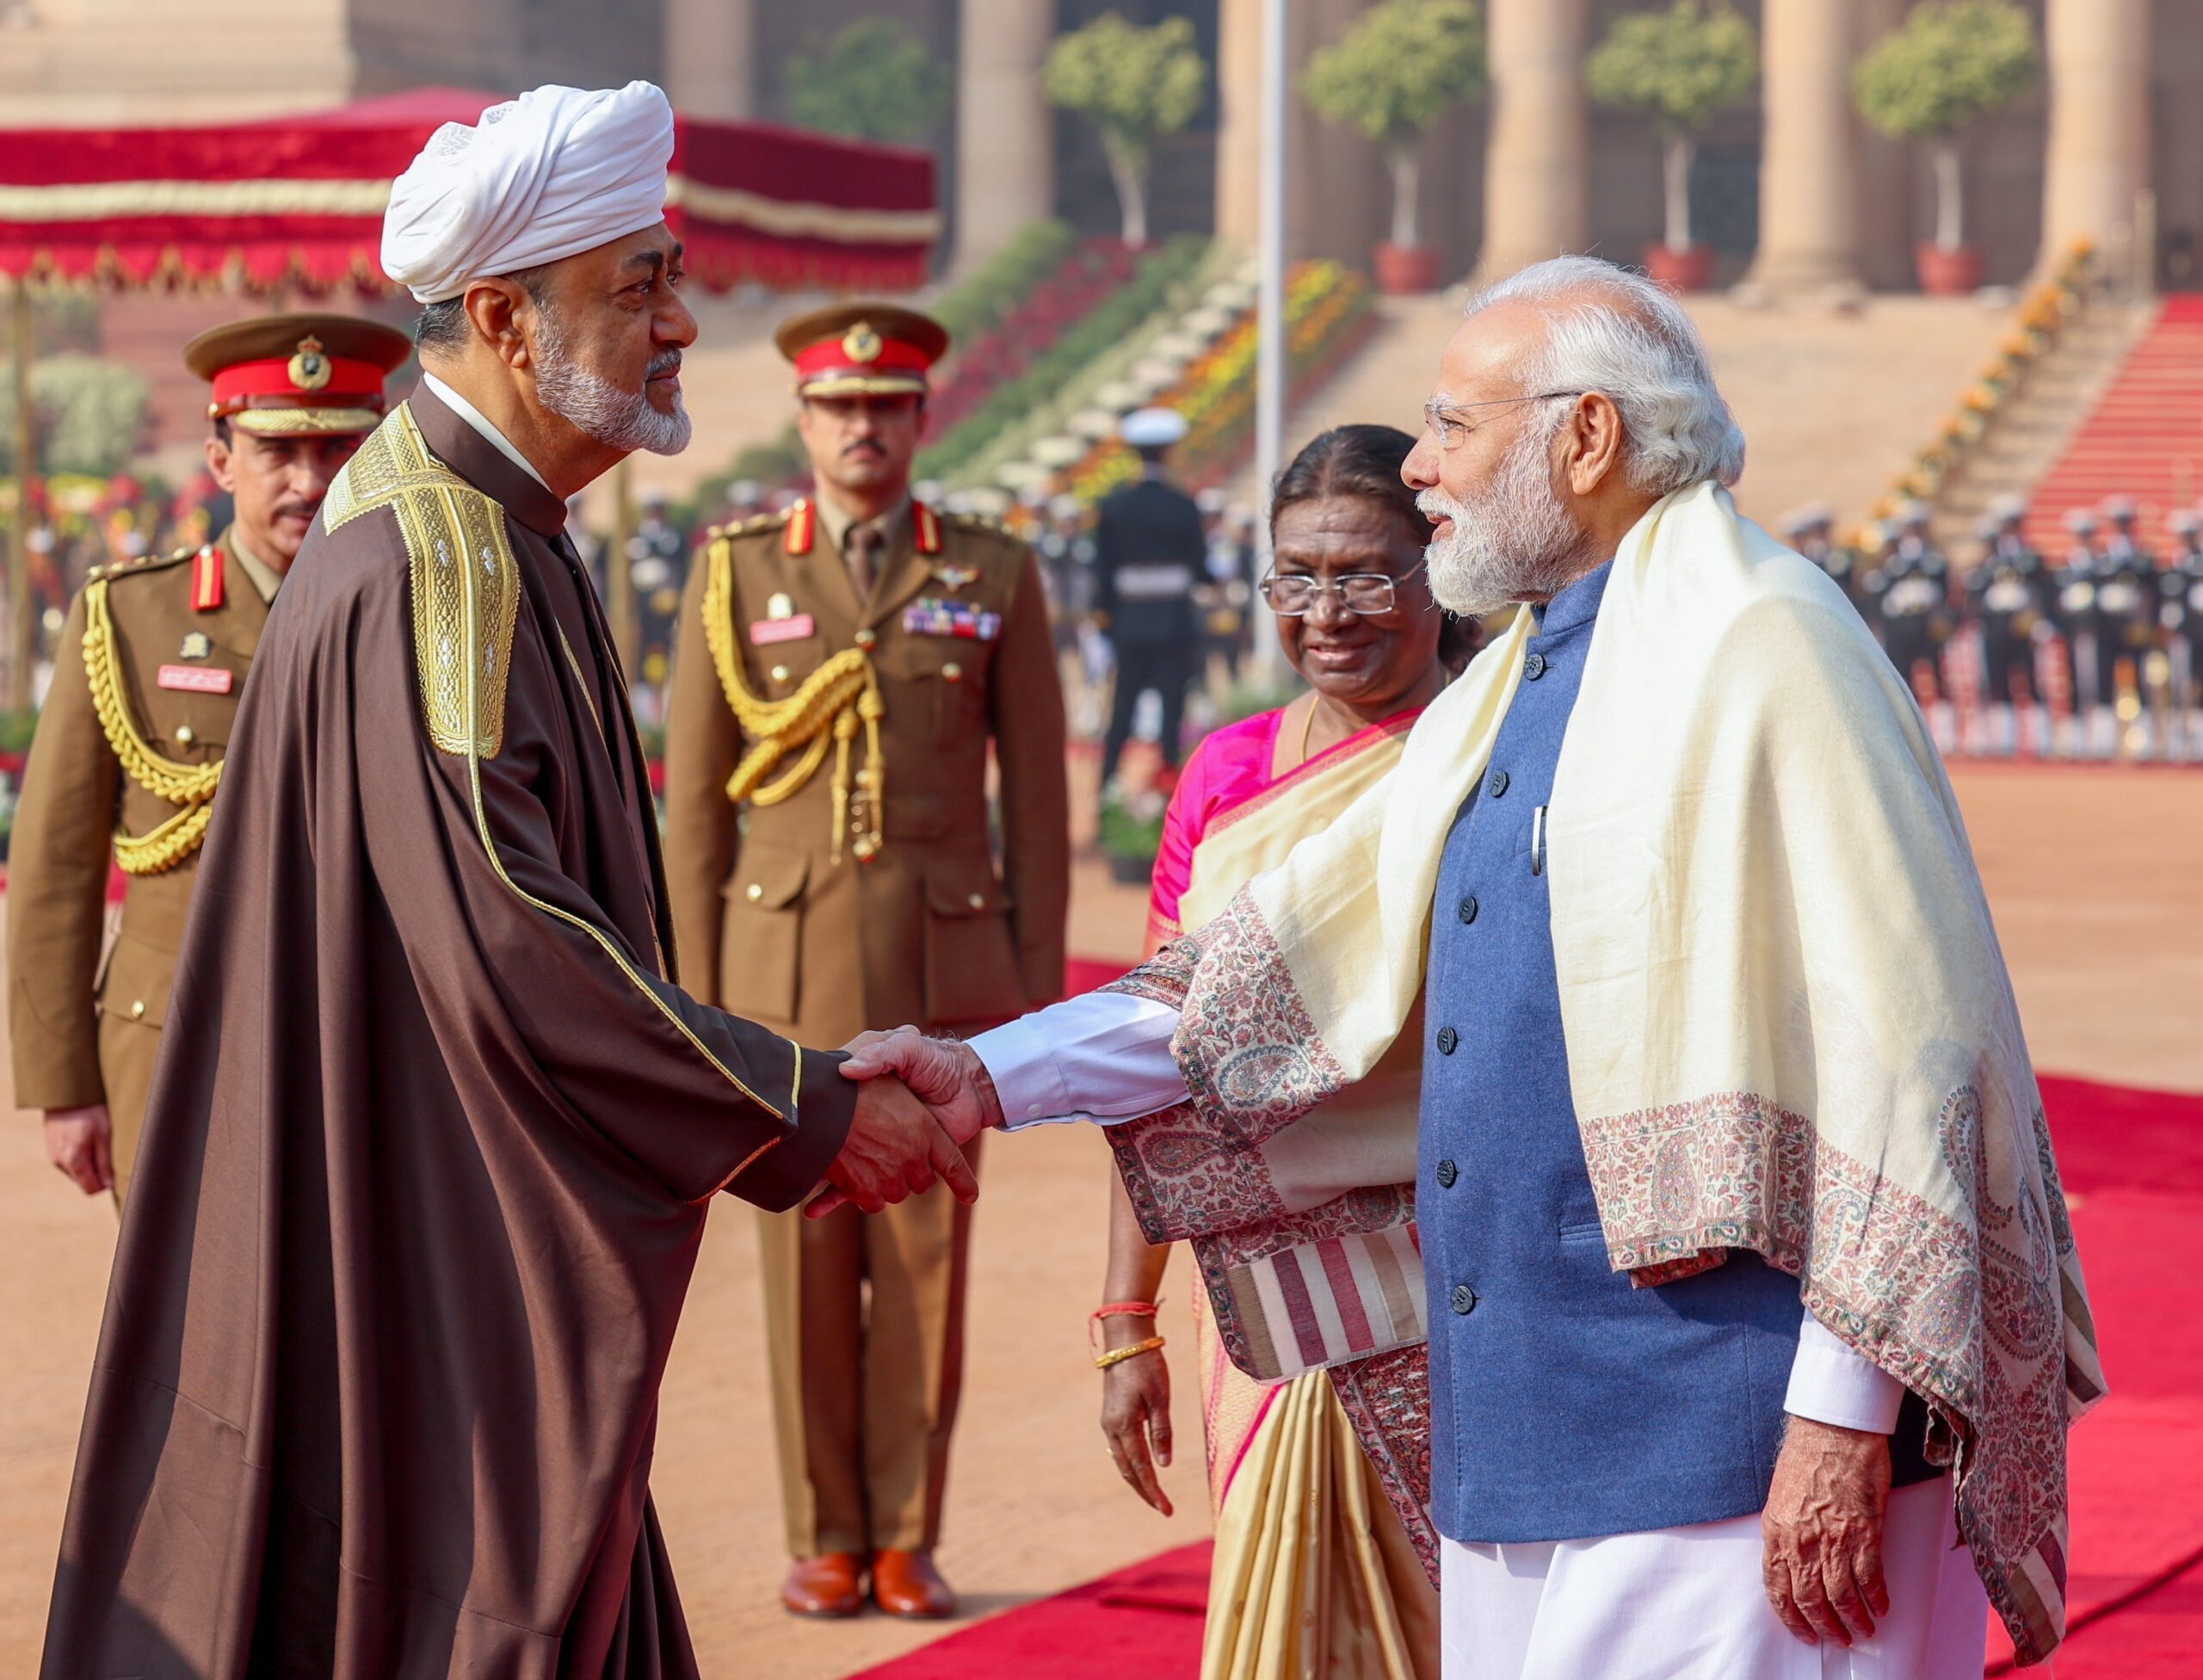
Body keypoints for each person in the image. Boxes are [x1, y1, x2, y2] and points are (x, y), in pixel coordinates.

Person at [837, 257, 2101, 1680]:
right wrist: (985, 1074)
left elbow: (1907, 1046)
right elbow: (1280, 968)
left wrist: (1840, 1414)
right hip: (1525, 1426)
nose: (1421, 465)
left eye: (1455, 425)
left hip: (1733, 1432)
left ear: (1586, 436)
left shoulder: (1764, 647)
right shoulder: (1525, 674)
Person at [38, 83, 975, 1680]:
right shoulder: (441, 553)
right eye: (638, 288)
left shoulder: (473, 525)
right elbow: (508, 929)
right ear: (502, 317)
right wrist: (804, 1108)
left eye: (668, 278)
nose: (681, 322)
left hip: (424, 1216)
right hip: (430, 1250)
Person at [660, 300, 1069, 1621]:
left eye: (884, 408)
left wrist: (1032, 1004)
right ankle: (821, 1528)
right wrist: (691, 1004)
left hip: (944, 980)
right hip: (776, 983)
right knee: (800, 1265)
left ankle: (903, 1530)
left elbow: (1040, 808)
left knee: (926, 1262)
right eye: (838, 409)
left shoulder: (992, 571)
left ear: (919, 420)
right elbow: (695, 811)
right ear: (803, 423)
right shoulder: (734, 574)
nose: (862, 430)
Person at [1099, 424, 1469, 1680]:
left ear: (1441, 571)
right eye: (1296, 577)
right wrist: (1122, 1323)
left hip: (1455, 1276)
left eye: (1365, 575)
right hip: (1258, 1298)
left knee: (1456, 1623)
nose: (1328, 613)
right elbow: (1162, 1061)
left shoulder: (1491, 756)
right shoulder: (1223, 776)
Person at [7, 311, 409, 1206]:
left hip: (373, 1050)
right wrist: (65, 1084)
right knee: (190, 1328)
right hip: (175, 1046)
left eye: (341, 448)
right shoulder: (131, 618)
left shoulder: (425, 619)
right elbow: (54, 869)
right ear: (222, 459)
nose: (312, 479)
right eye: (278, 450)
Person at [1095, 406, 1208, 788]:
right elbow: (1200, 565)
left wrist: (1107, 621)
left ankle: (1107, 787)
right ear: (1169, 451)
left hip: (1129, 623)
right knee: (1170, 711)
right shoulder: (1183, 505)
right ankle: (1166, 790)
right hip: (1175, 621)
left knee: (1122, 709)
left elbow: (1103, 571)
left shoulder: (1114, 505)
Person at [1965, 494, 2050, 752]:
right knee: (1997, 679)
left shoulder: (2030, 556)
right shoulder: (1990, 559)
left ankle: (2040, 738)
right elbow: (1976, 592)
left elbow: (2043, 590)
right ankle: (2005, 738)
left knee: (2029, 678)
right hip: (1997, 623)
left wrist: (2039, 620)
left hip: (2023, 623)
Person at [1862, 501, 1953, 701]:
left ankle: (1942, 722)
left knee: (1937, 673)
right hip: (1901, 623)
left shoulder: (1934, 558)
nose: (1914, 532)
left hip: (1928, 620)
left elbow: (1944, 590)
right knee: (1903, 676)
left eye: (1918, 527)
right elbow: (1879, 592)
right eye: (1910, 527)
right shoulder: (1892, 560)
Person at [1779, 502, 1859, 608]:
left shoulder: (1837, 556)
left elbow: (1848, 584)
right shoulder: (1802, 559)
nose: (1818, 534)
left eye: (1822, 530)